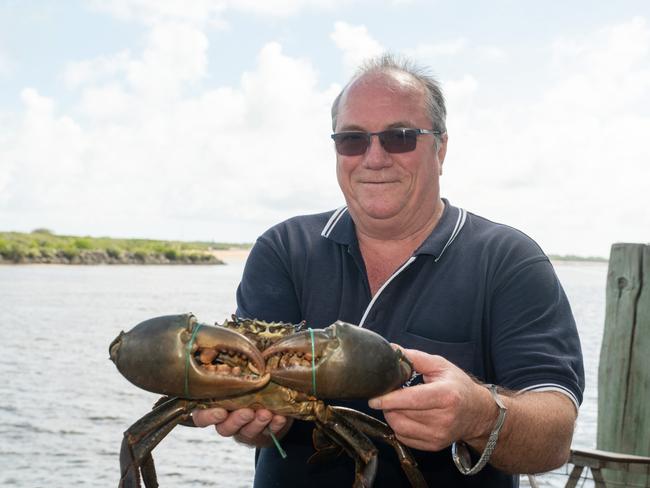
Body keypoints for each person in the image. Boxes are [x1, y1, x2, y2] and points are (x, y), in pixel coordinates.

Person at [193, 54, 585, 487]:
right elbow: (260, 415)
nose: (374, 157)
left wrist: (479, 414)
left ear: (441, 148)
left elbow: (555, 435)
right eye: (352, 139)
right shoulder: (284, 249)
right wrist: (254, 417)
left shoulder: (507, 259)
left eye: (399, 137)